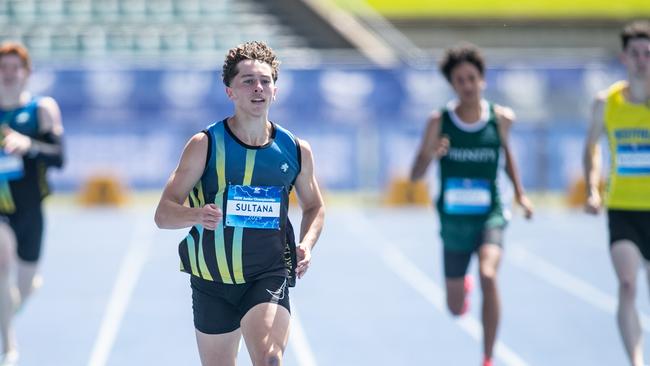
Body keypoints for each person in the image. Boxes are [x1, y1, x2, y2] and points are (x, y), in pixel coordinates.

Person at [154, 41, 325, 366]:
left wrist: (307, 243)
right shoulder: (205, 145)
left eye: (265, 81)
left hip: (267, 274)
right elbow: (163, 214)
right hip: (211, 280)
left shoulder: (295, 149)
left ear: (275, 90)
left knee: (269, 359)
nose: (257, 88)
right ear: (230, 91)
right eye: (247, 80)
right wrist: (197, 214)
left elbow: (315, 206)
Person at [410, 43, 533, 366]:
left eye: (472, 78)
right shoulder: (439, 122)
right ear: (453, 85)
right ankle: (460, 286)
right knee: (453, 307)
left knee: (489, 274)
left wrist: (521, 194)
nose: (467, 85)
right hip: (453, 221)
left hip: (490, 214)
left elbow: (507, 158)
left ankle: (488, 356)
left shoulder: (501, 118)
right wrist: (432, 153)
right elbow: (415, 174)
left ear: (483, 80)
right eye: (460, 80)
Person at [584, 20, 650, 366]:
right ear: (624, 57)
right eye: (636, 53)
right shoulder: (606, 103)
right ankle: (636, 360)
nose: (642, 60)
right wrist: (593, 189)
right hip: (623, 207)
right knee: (627, 284)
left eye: (648, 54)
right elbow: (592, 148)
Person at [0, 42, 65, 365]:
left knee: (22, 289)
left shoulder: (42, 109)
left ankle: (17, 301)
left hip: (30, 210)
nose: (9, 74)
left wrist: (29, 145)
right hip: (1, 211)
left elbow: (60, 158)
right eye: (3, 67)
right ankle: (8, 343)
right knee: (1, 261)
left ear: (27, 73)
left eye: (16, 68)